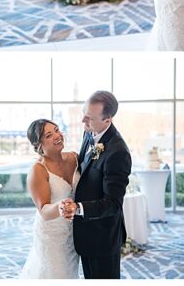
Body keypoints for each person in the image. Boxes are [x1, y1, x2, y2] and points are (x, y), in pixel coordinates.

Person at [58, 91, 132, 279]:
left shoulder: (118, 152)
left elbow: (113, 203)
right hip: (86, 232)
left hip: (102, 237)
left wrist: (78, 208)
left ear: (107, 120)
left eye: (89, 117)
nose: (83, 119)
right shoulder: (89, 132)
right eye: (84, 112)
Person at [18, 119, 80, 279]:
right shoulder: (38, 171)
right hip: (51, 235)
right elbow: (44, 210)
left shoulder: (75, 158)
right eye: (49, 135)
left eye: (57, 130)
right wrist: (60, 206)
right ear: (39, 145)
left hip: (74, 232)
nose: (57, 136)